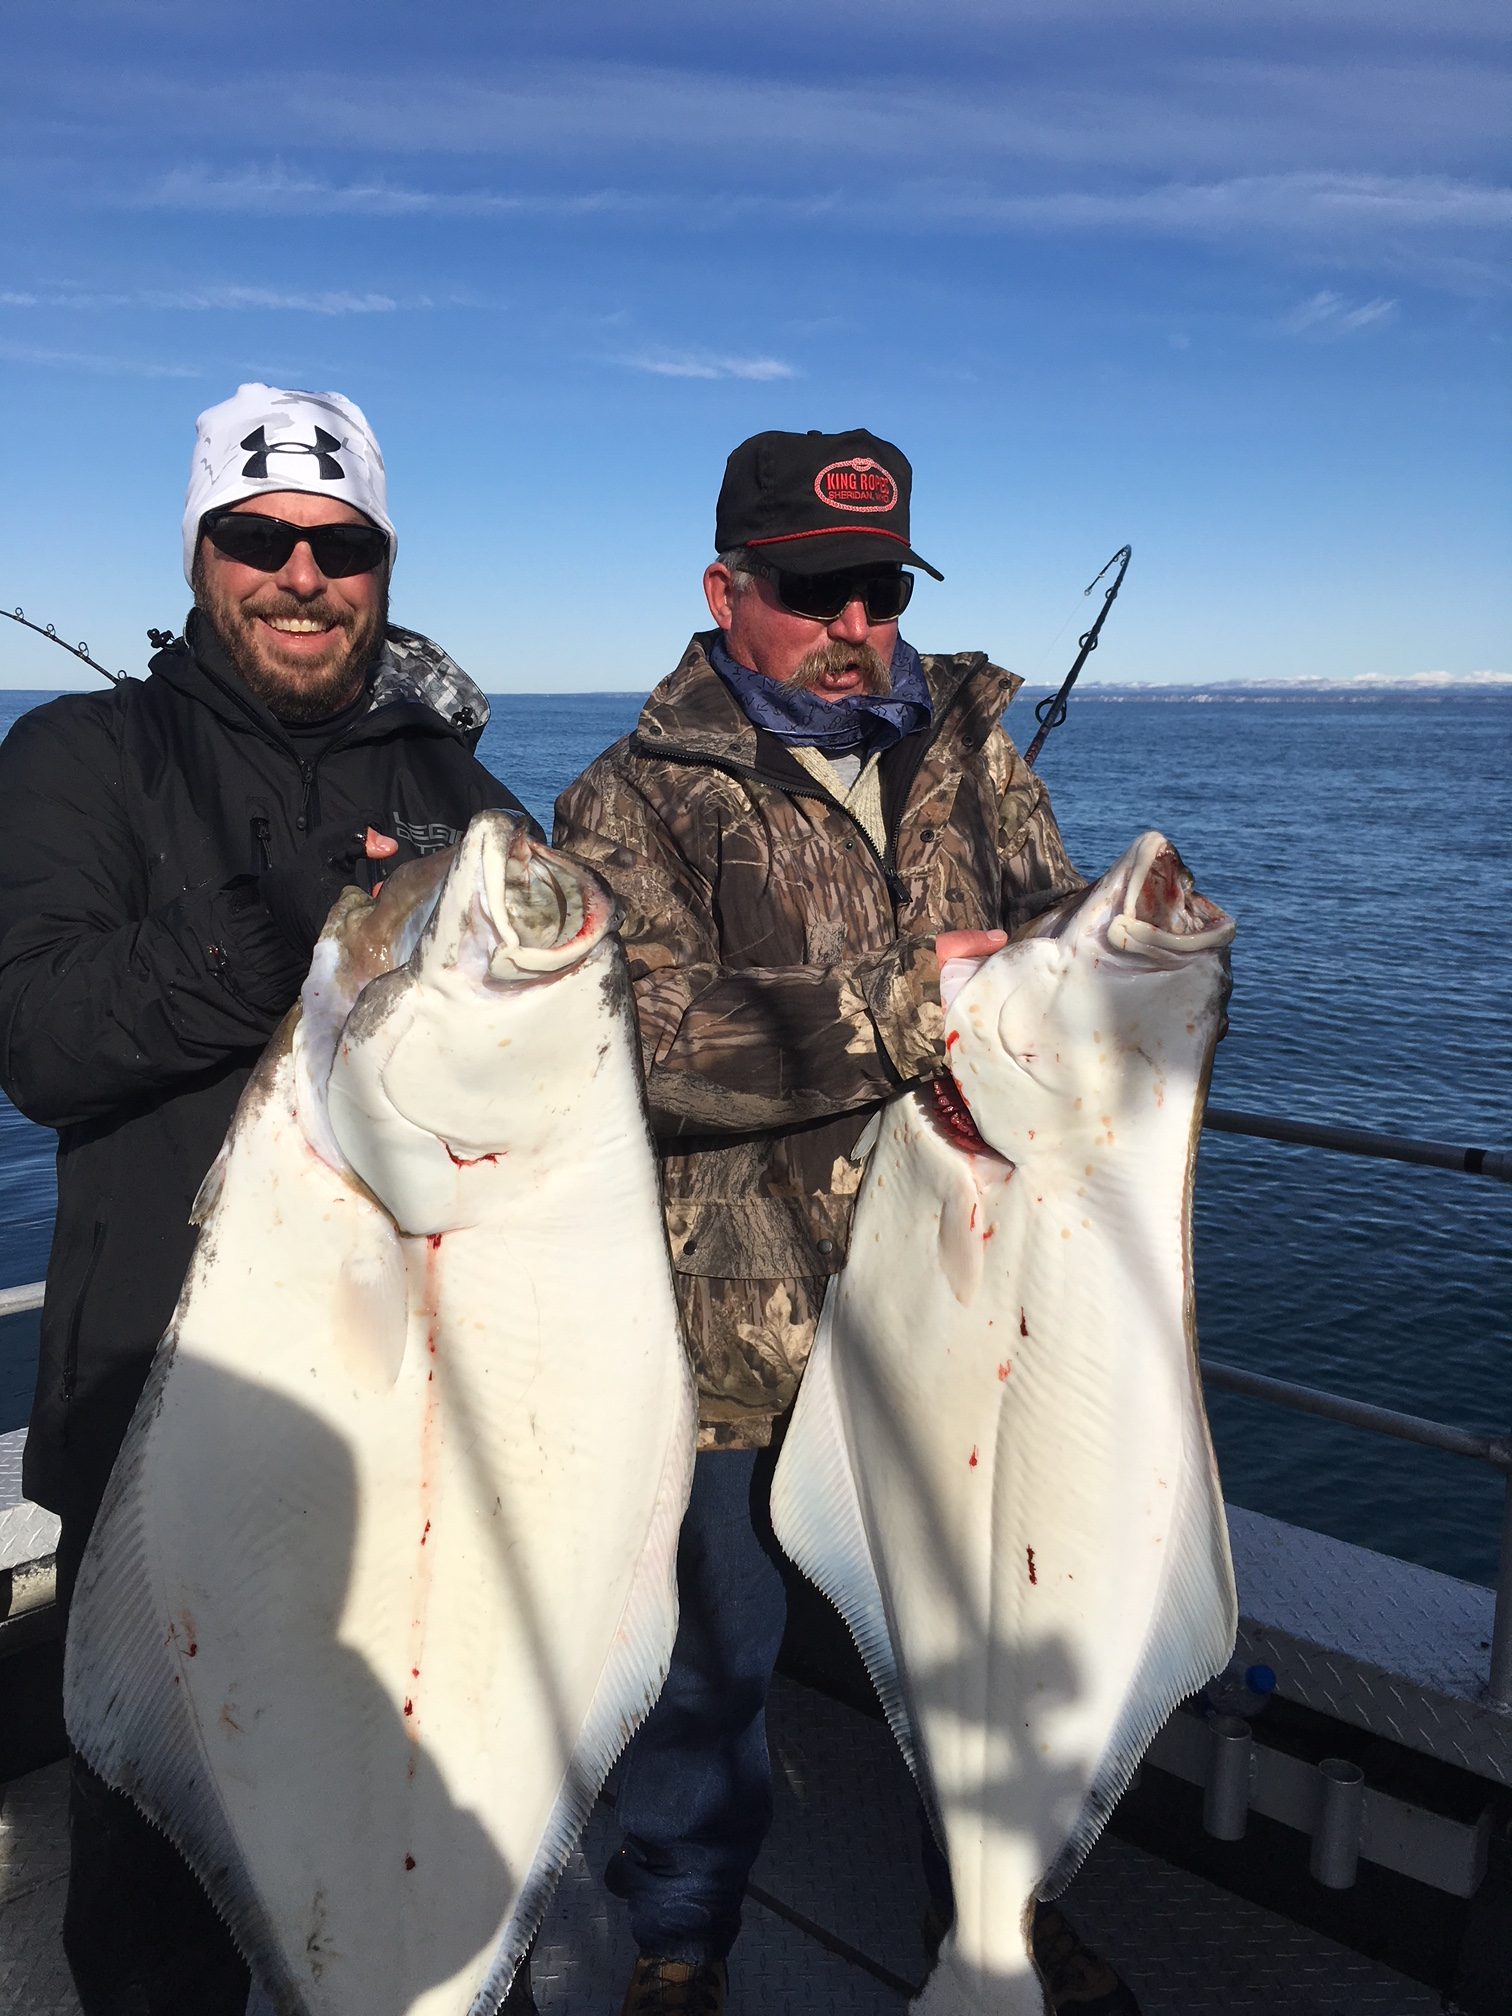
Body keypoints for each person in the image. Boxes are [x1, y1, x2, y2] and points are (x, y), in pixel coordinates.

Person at [554, 428, 1142, 2015]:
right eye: (814, 589)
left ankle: (1005, 1912)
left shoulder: (973, 747)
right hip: (738, 1334)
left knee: (992, 1649)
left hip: (969, 1313)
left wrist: (1106, 968)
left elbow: (1042, 945)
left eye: (880, 586)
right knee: (711, 1676)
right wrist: (913, 1006)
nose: (855, 624)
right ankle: (681, 1943)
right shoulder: (626, 800)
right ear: (726, 587)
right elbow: (643, 1048)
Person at [0, 383, 539, 2016]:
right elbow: (41, 1035)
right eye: (257, 536)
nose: (300, 574)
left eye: (340, 543)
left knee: (421, 1866)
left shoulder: (470, 803)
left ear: (380, 562)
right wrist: (272, 928)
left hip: (434, 1446)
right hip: (175, 1420)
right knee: (160, 1890)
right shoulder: (76, 759)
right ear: (201, 551)